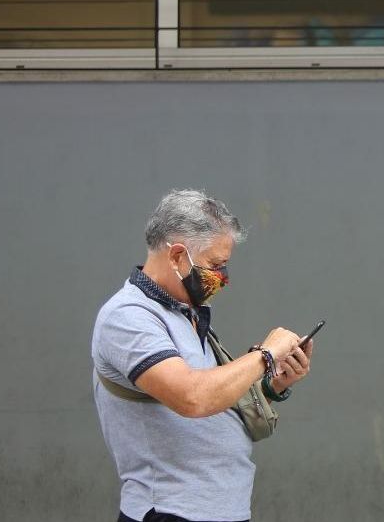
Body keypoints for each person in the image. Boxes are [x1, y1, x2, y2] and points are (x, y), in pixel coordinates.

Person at [91, 190, 314, 522]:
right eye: (216, 265)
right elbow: (193, 397)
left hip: (218, 511)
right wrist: (265, 355)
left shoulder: (185, 313)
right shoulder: (128, 316)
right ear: (178, 256)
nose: (223, 278)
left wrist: (271, 385)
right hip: (170, 511)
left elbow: (214, 396)